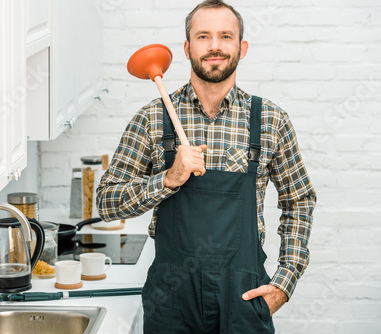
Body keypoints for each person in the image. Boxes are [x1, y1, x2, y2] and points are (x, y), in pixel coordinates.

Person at [96, 0, 316, 333]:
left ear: (241, 47)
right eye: (203, 37)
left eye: (225, 36)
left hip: (243, 298)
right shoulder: (153, 119)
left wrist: (284, 282)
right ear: (187, 48)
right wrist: (168, 179)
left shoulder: (270, 120)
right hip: (171, 300)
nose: (215, 46)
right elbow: (107, 202)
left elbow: (299, 202)